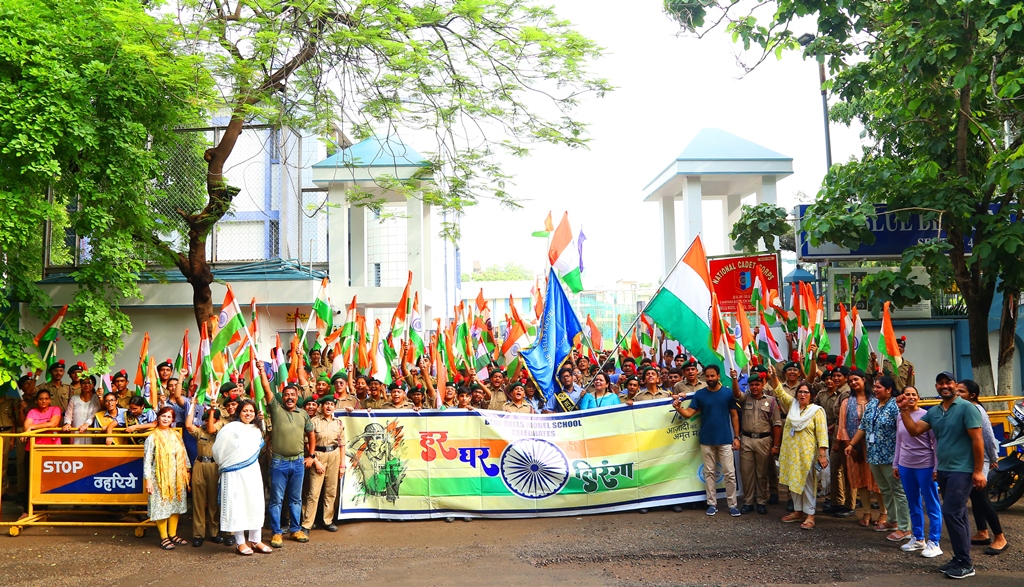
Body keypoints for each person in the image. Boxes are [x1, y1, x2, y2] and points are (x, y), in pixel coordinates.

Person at [897, 371, 986, 580]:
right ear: (936, 387)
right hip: (945, 469)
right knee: (959, 514)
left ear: (955, 385)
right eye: (940, 383)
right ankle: (960, 558)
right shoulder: (935, 412)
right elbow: (915, 430)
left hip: (962, 469)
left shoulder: (967, 408)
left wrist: (979, 470)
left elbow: (978, 440)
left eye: (948, 382)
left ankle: (965, 563)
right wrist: (903, 411)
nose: (944, 386)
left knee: (951, 512)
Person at [845, 376, 911, 541]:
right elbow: (863, 427)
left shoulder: (896, 405)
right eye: (874, 387)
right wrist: (851, 444)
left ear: (889, 390)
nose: (875, 389)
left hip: (891, 456)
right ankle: (892, 521)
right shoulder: (872, 404)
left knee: (898, 491)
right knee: (885, 490)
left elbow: (904, 430)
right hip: (874, 455)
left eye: (879, 387)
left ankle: (906, 528)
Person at [257, 363, 315, 548]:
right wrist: (261, 372)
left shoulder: (303, 414)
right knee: (276, 499)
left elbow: (311, 433)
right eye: (286, 395)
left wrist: (311, 454)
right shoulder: (276, 409)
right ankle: (276, 532)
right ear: (282, 397)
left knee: (296, 499)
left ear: (297, 397)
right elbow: (266, 388)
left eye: (292, 395)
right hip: (278, 463)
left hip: (298, 462)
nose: (289, 398)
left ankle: (296, 529)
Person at [672, 364, 741, 517]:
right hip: (706, 439)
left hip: (725, 439)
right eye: (707, 376)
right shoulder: (700, 395)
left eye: (712, 376)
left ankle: (733, 505)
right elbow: (689, 413)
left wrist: (736, 437)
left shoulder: (727, 393)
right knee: (709, 473)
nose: (710, 379)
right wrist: (678, 408)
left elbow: (734, 416)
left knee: (729, 473)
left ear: (718, 376)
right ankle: (712, 504)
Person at [213, 398, 272, 556]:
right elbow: (219, 450)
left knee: (255, 503)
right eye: (245, 411)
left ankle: (256, 540)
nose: (248, 413)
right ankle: (240, 542)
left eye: (251, 411)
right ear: (239, 412)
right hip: (234, 473)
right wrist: (227, 464)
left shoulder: (256, 429)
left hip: (252, 471)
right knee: (237, 505)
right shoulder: (230, 428)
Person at [770, 376, 829, 530]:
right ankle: (798, 512)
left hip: (807, 454)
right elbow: (780, 392)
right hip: (791, 453)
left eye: (806, 392)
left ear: (812, 395)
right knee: (793, 482)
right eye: (800, 392)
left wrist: (822, 454)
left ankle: (810, 514)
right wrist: (773, 376)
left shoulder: (816, 411)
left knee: (808, 483)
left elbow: (822, 433)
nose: (802, 395)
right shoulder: (793, 406)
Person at [957, 379, 1008, 555]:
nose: (957, 395)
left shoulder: (977, 410)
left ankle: (1000, 537)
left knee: (981, 497)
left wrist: (994, 457)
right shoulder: (960, 408)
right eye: (957, 391)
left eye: (961, 392)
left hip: (981, 460)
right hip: (967, 460)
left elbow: (987, 435)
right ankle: (982, 532)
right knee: (975, 496)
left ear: (972, 395)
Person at [892, 385, 942, 558]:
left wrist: (936, 467)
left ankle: (934, 541)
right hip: (906, 465)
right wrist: (896, 463)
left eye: (914, 394)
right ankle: (918, 537)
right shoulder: (900, 416)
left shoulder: (927, 416)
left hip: (925, 465)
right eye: (907, 394)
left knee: (932, 503)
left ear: (919, 398)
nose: (910, 397)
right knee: (913, 503)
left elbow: (935, 444)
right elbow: (899, 441)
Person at [836, 369, 886, 529]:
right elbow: (842, 426)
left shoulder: (877, 400)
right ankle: (866, 512)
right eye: (850, 381)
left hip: (876, 446)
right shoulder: (846, 402)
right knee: (861, 480)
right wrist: (851, 446)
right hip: (855, 447)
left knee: (878, 480)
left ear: (864, 380)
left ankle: (884, 513)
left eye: (856, 379)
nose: (853, 383)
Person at [733, 365, 781, 515]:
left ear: (762, 385)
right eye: (752, 384)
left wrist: (776, 445)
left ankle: (761, 501)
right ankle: (748, 501)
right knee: (746, 473)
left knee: (762, 473)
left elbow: (777, 425)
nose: (754, 387)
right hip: (746, 439)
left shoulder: (771, 401)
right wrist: (734, 378)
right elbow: (735, 394)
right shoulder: (745, 398)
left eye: (757, 384)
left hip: (764, 440)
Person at [143, 406, 191, 550]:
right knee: (161, 507)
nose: (166, 419)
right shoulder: (152, 438)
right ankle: (164, 537)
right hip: (159, 478)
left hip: (177, 477)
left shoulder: (176, 435)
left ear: (172, 419)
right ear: (158, 417)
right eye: (163, 416)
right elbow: (147, 461)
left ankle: (173, 534)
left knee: (175, 505)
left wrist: (187, 471)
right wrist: (148, 480)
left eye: (169, 417)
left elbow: (184, 453)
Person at [302, 394, 345, 533]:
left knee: (331, 490)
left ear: (334, 407)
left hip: (334, 455)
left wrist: (342, 464)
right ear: (321, 406)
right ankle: (307, 524)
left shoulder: (338, 423)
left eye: (331, 404)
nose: (329, 407)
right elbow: (308, 442)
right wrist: (315, 460)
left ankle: (328, 520)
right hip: (318, 455)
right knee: (314, 492)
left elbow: (342, 444)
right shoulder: (314, 421)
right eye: (326, 404)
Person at [185, 398, 224, 547]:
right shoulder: (200, 431)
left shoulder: (220, 431)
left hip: (214, 466)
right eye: (207, 419)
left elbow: (212, 429)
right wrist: (193, 404)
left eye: (212, 419)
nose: (208, 422)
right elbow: (188, 424)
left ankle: (214, 532)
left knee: (214, 502)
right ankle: (198, 534)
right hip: (200, 465)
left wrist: (213, 409)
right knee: (198, 501)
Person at [19, 389, 62, 510]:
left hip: (51, 450)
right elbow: (26, 426)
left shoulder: (55, 409)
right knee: (31, 479)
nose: (43, 401)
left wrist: (33, 427)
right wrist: (35, 426)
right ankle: (27, 510)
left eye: (46, 398)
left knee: (47, 479)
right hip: (33, 449)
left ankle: (43, 508)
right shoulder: (32, 411)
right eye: (41, 399)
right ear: (37, 400)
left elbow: (53, 423)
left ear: (50, 400)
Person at [62, 374, 100, 445]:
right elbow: (68, 415)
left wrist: (86, 424)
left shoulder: (97, 398)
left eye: (90, 383)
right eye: (84, 383)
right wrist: (67, 423)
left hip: (91, 432)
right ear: (80, 384)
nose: (87, 385)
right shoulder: (74, 398)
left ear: (94, 384)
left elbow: (95, 414)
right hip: (76, 431)